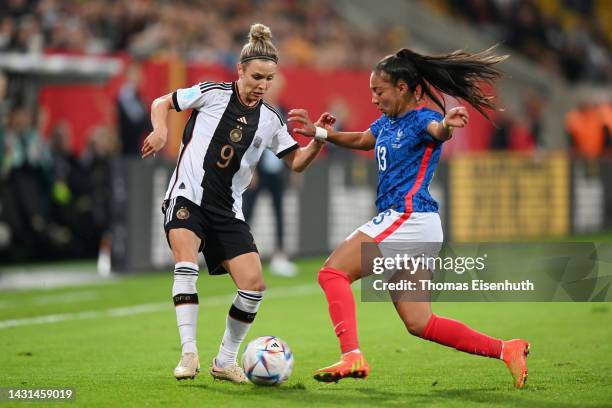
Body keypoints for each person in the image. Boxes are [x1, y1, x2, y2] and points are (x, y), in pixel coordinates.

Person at [289, 47, 530, 388]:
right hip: (421, 226)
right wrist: (321, 134)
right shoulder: (386, 123)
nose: (374, 98)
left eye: (379, 91)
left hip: (409, 217)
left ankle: (351, 354)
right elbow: (361, 139)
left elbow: (438, 130)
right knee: (420, 323)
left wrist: (447, 125)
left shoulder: (420, 119)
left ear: (402, 88)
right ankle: (507, 349)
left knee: (332, 272)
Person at [141, 23, 332, 383]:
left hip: (227, 210)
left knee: (254, 286)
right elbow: (161, 102)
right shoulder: (212, 92)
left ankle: (225, 361)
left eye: (269, 79)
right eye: (257, 76)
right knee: (186, 265)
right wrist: (161, 128)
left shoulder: (271, 120)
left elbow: (297, 162)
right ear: (240, 70)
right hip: (187, 195)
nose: (262, 84)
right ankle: (188, 353)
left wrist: (319, 139)